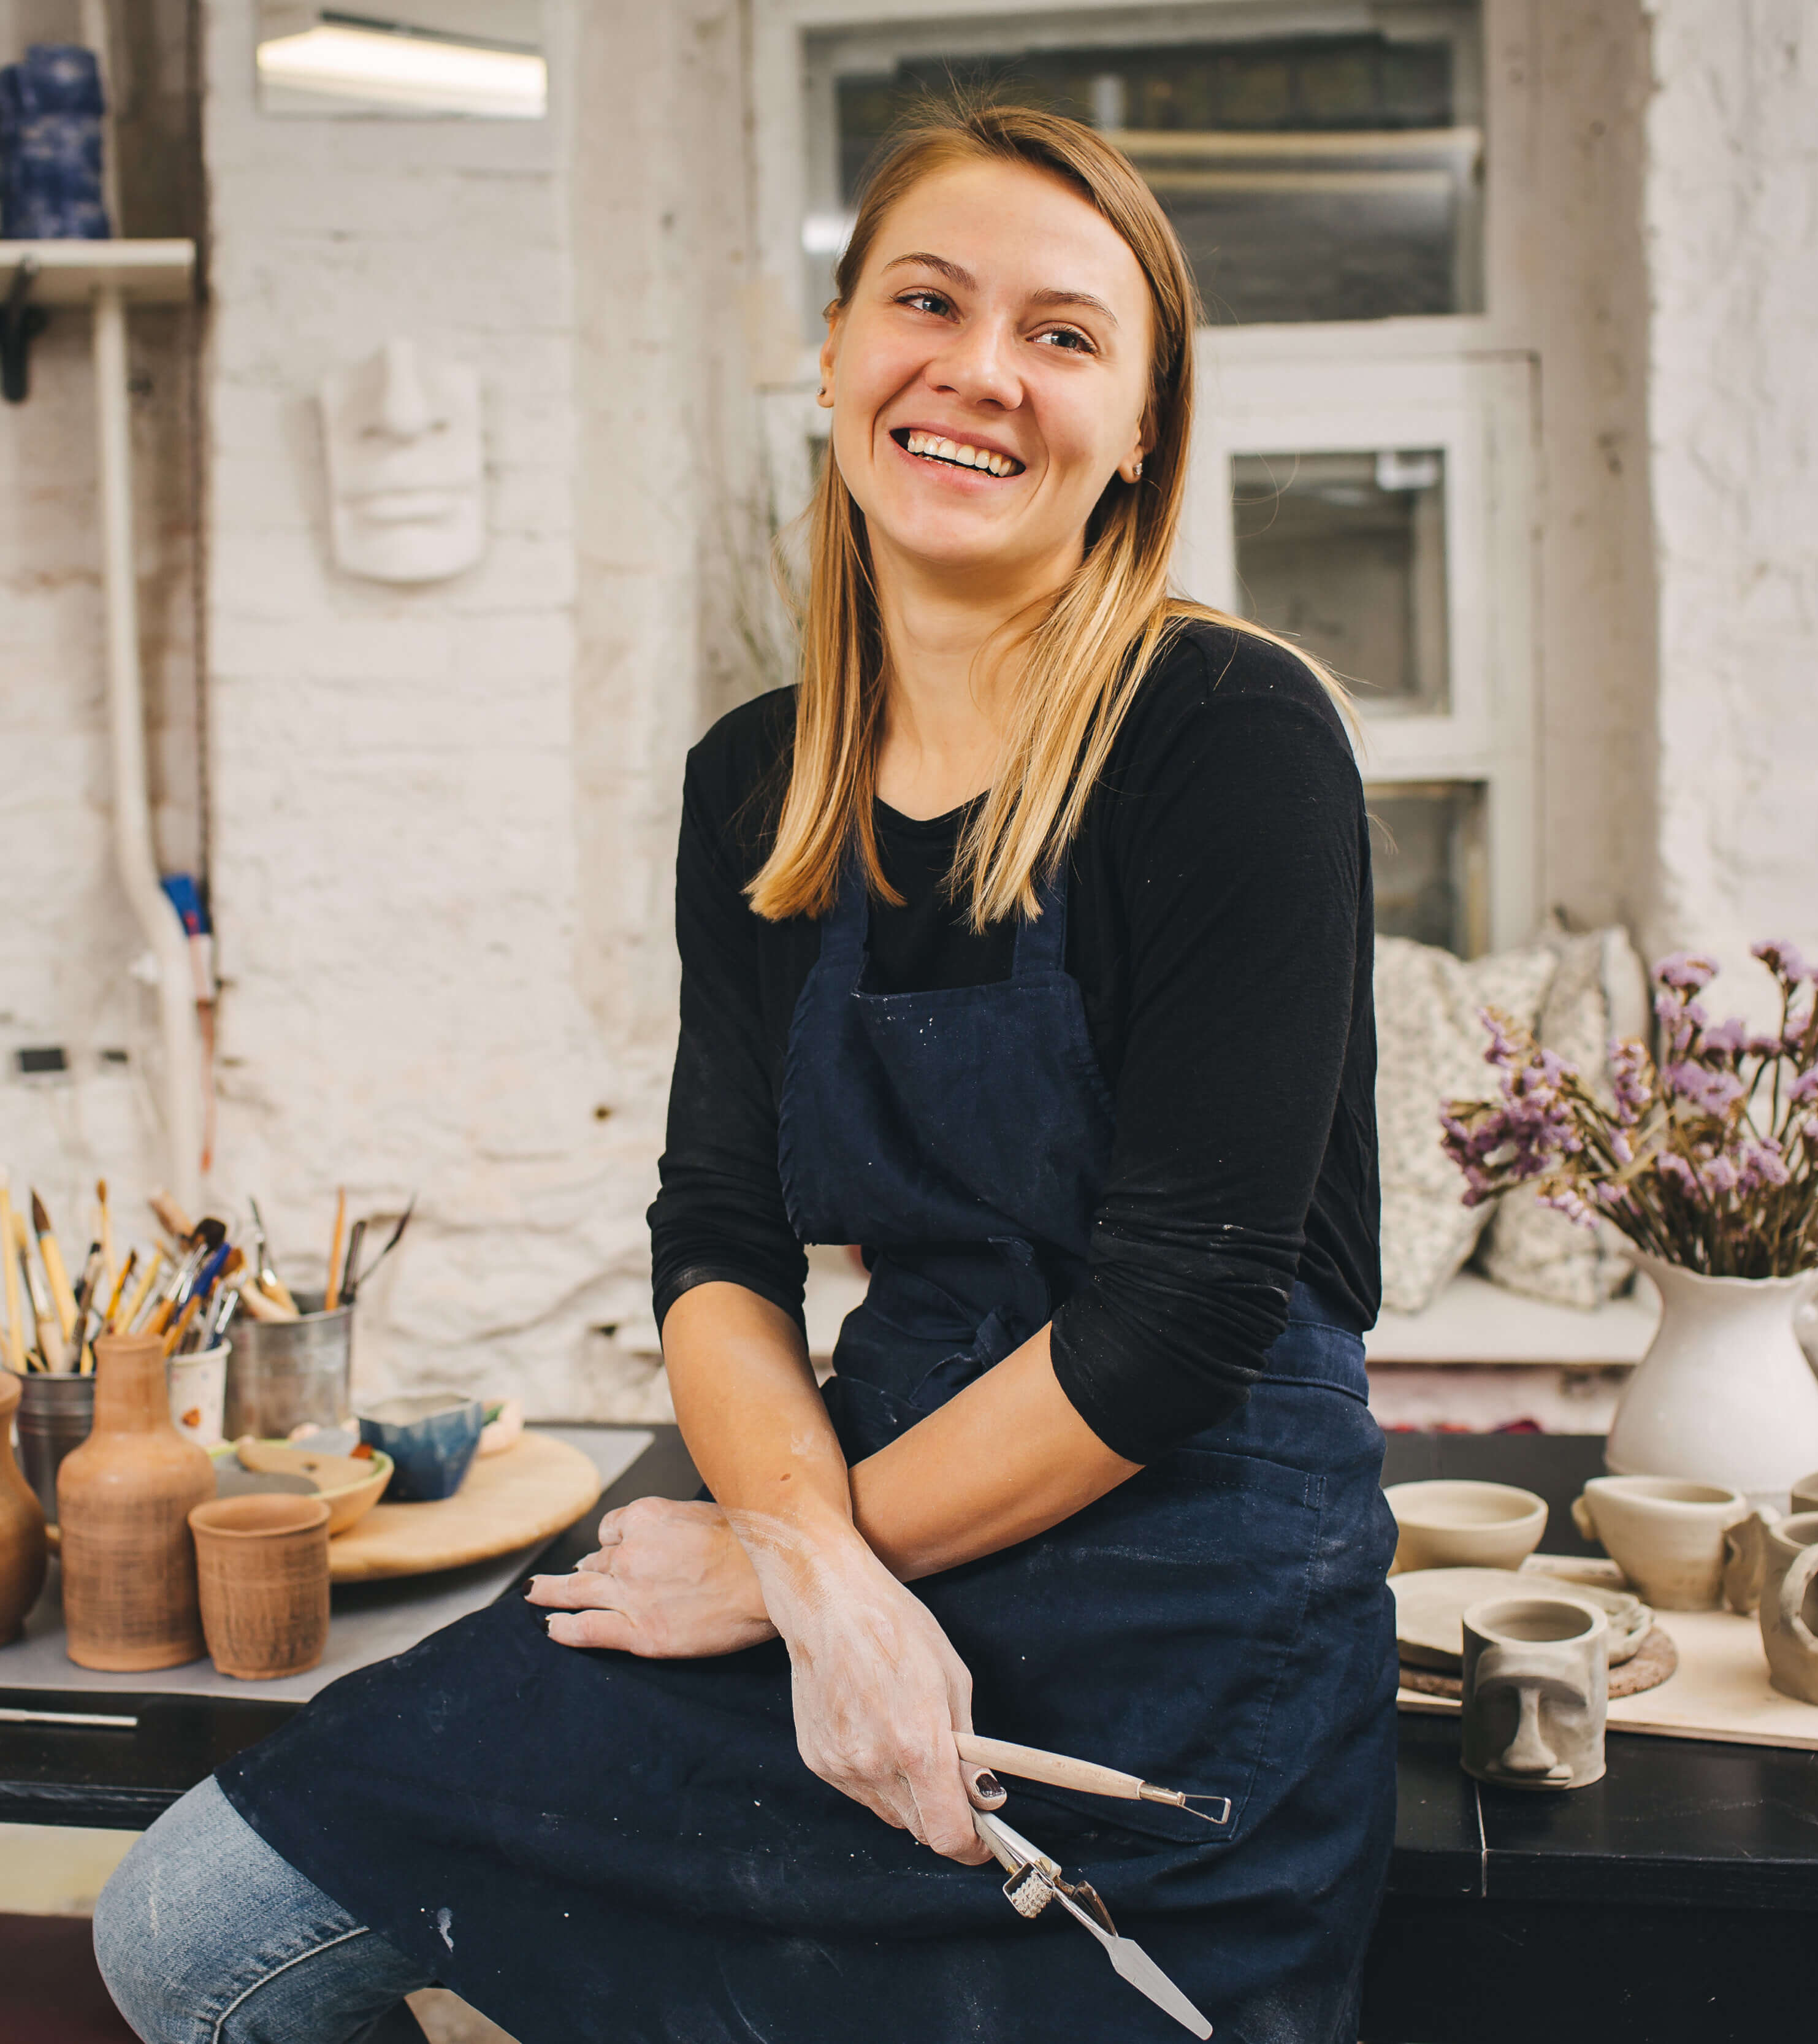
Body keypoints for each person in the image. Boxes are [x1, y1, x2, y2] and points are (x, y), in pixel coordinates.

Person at [94, 101, 1391, 2044]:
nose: (978, 371)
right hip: (864, 1497)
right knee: (190, 1931)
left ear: (1139, 431)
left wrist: (791, 1560)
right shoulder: (756, 785)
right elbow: (718, 1239)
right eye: (928, 302)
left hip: (1188, 1588)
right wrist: (811, 1565)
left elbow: (1187, 1314)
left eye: (1062, 335)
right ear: (838, 352)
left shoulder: (1230, 733)